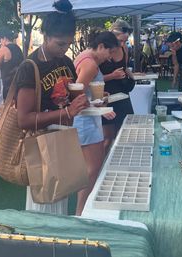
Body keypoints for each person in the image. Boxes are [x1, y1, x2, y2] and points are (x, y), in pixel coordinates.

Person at [15, 0, 89, 214]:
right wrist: (66, 112)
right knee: (42, 206)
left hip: (63, 138)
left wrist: (88, 102)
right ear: (46, 37)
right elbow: (24, 119)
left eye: (67, 44)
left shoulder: (65, 62)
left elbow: (70, 97)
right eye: (59, 44)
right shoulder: (30, 67)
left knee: (61, 199)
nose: (64, 49)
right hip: (40, 143)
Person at [73, 29, 118, 215]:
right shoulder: (91, 64)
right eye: (110, 52)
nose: (110, 57)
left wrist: (98, 97)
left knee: (89, 169)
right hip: (86, 120)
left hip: (86, 117)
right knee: (92, 170)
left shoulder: (83, 56)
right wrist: (99, 107)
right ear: (101, 46)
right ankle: (82, 212)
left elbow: (83, 91)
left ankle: (83, 210)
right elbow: (76, 94)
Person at [99, 19, 135, 154]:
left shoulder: (123, 49)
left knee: (126, 134)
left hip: (122, 95)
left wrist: (130, 75)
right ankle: (101, 168)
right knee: (107, 138)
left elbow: (124, 68)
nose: (121, 44)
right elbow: (93, 80)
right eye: (119, 40)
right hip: (106, 96)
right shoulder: (101, 49)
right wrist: (111, 76)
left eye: (124, 41)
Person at [0, 29, 23, 100]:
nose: (0, 42)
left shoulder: (4, 49)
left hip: (8, 84)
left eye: (0, 40)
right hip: (20, 82)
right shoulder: (18, 48)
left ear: (4, 38)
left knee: (8, 108)